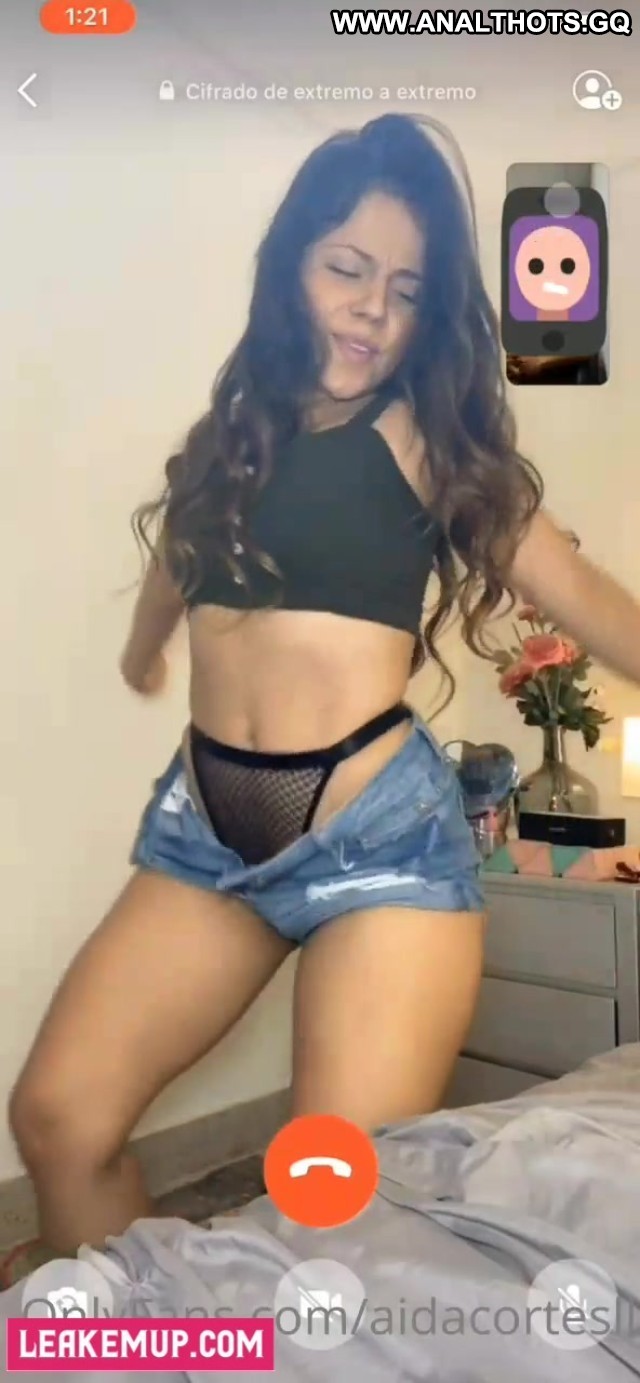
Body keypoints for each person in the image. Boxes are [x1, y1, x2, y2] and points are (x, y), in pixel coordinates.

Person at [9, 114, 640, 1257]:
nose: (371, 310)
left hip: (377, 846)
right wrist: (144, 649)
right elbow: (178, 559)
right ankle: (149, 1331)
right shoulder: (228, 438)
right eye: (346, 270)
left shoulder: (426, 443)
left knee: (325, 1207)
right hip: (208, 836)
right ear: (290, 266)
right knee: (58, 1120)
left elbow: (582, 594)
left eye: (405, 290)